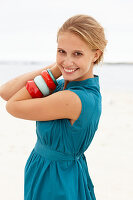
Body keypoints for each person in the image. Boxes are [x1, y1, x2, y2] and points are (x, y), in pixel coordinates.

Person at [0, 14, 107, 200]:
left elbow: (13, 105)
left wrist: (57, 70)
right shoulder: (62, 86)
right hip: (44, 170)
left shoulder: (73, 98)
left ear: (95, 54)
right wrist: (59, 67)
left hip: (56, 179)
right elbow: (6, 91)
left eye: (77, 53)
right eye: (61, 51)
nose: (68, 60)